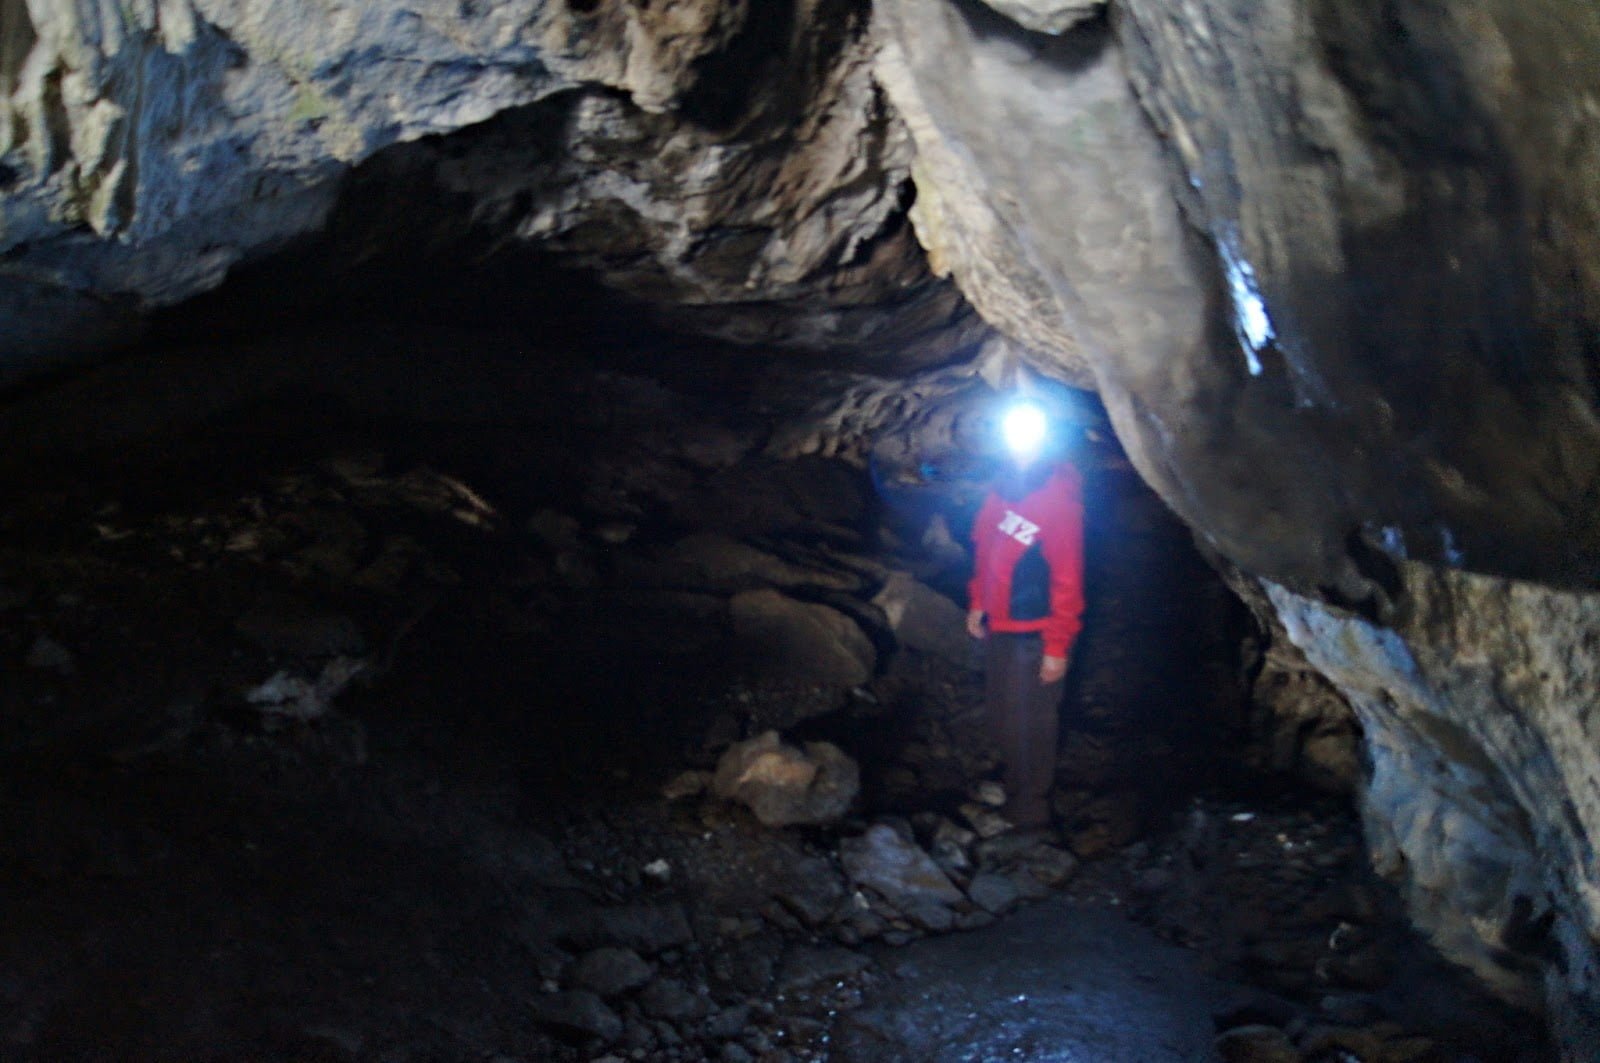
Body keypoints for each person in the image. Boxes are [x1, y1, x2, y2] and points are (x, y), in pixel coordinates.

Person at [965, 400, 1085, 831]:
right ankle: (1015, 790)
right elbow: (985, 544)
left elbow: (1068, 580)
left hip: (1035, 632)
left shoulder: (1059, 500)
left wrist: (1057, 647)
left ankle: (1031, 812)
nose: (1020, 448)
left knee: (1029, 724)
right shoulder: (1003, 485)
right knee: (1002, 716)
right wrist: (979, 600)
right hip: (1001, 625)